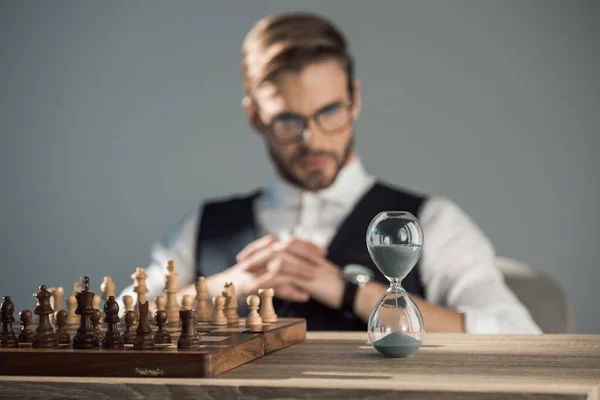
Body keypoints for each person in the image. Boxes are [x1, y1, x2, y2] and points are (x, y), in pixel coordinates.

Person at [117, 12, 541, 334]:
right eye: (288, 120)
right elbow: (112, 327)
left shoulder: (431, 221)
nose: (312, 139)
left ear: (354, 99)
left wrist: (353, 293)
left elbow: (518, 335)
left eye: (329, 112)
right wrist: (231, 285)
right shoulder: (203, 226)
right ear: (255, 118)